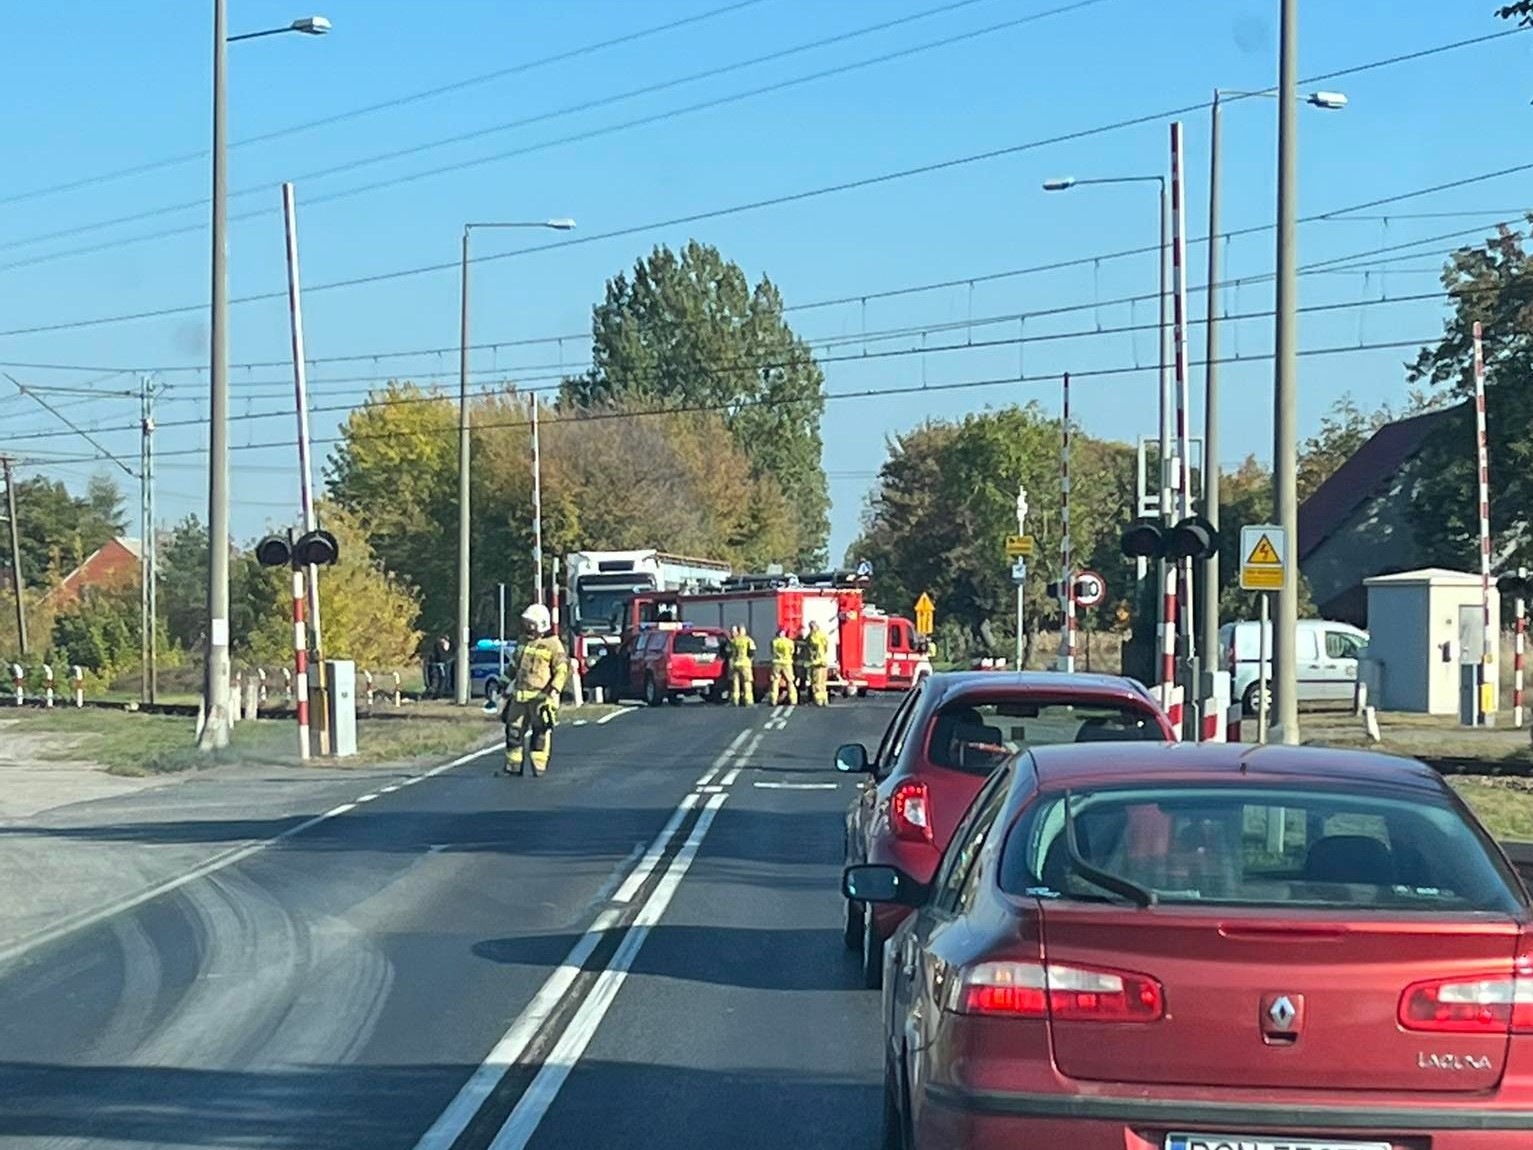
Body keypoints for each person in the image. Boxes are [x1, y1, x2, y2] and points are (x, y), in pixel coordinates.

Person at [501, 603, 568, 776]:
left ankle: (539, 767)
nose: (527, 627)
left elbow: (561, 669)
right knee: (513, 732)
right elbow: (514, 666)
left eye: (531, 623)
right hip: (519, 698)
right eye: (526, 623)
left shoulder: (553, 644)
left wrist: (555, 689)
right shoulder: (522, 641)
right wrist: (503, 683)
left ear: (541, 624)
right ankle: (513, 766)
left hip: (541, 699)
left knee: (540, 733)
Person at [727, 624, 756, 706]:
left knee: (735, 683)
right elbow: (752, 651)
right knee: (747, 682)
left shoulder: (734, 641)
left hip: (735, 663)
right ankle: (748, 700)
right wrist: (750, 659)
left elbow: (728, 651)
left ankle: (735, 700)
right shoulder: (748, 640)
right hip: (745, 663)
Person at [768, 627, 798, 706]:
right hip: (787, 663)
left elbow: (772, 651)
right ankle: (793, 700)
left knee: (775, 681)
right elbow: (792, 652)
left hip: (777, 663)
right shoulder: (790, 642)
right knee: (790, 681)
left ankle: (773, 700)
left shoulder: (774, 642)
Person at [806, 619, 831, 707]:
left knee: (816, 682)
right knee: (823, 682)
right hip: (823, 661)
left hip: (817, 663)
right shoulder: (822, 634)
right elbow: (826, 646)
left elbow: (809, 646)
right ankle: (824, 699)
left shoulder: (812, 636)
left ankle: (818, 700)